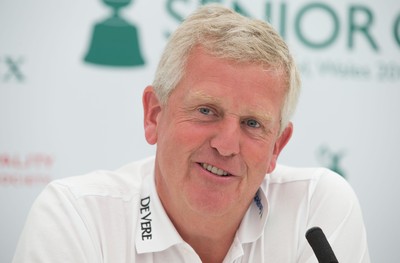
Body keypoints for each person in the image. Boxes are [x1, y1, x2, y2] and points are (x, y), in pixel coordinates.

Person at [13, 4, 370, 263]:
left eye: (252, 124)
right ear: (154, 115)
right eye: (206, 111)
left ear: (277, 147)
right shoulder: (75, 218)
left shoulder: (315, 209)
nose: (227, 145)